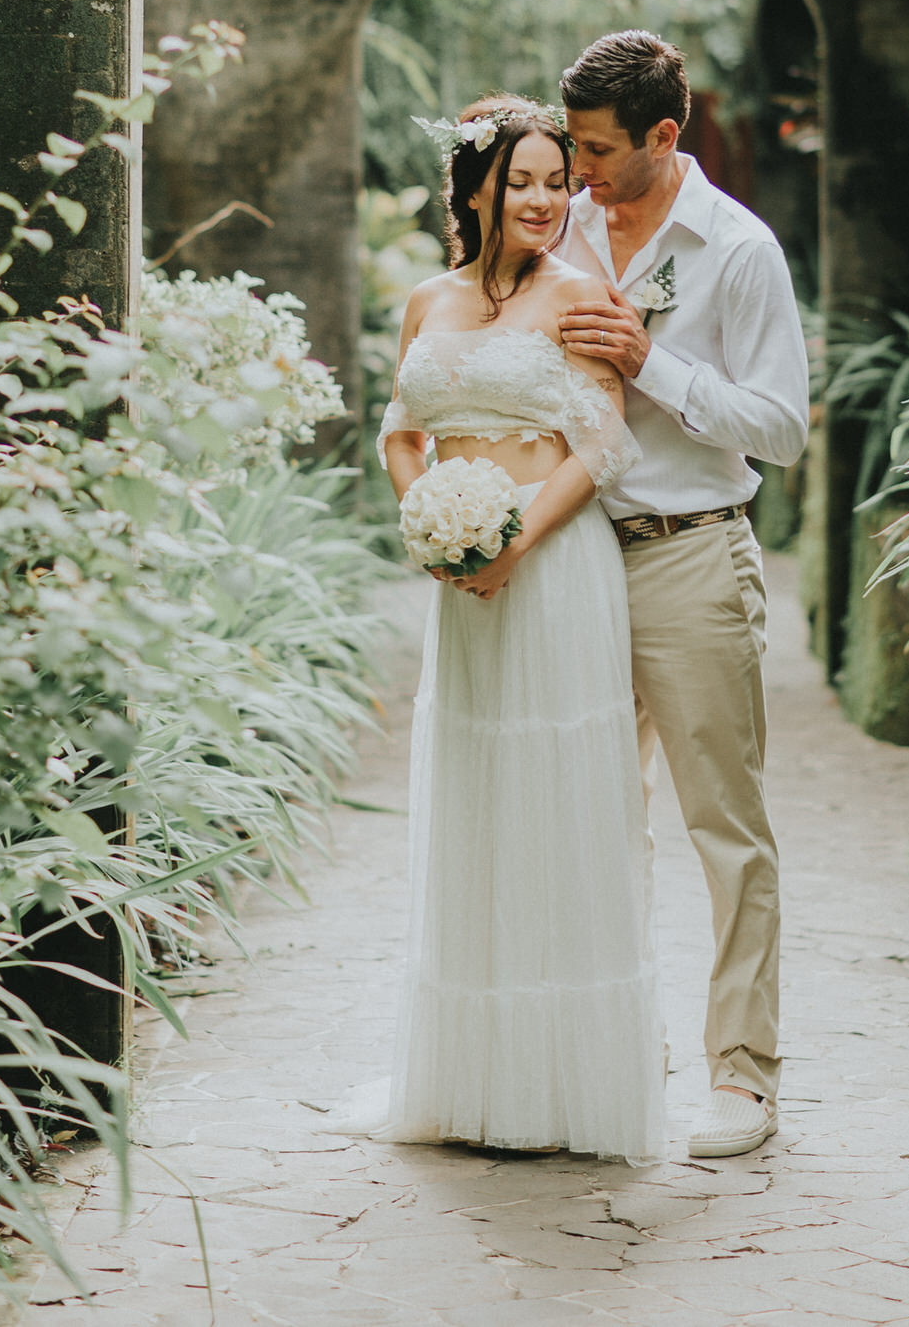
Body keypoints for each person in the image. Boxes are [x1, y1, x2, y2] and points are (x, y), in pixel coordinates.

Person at [376, 94, 665, 1163]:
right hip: (463, 587)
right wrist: (430, 522)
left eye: (557, 178)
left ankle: (560, 1086)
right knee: (478, 796)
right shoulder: (427, 300)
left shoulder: (580, 295)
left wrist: (511, 541)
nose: (545, 198)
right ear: (477, 187)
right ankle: (472, 1081)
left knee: (559, 796)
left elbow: (604, 447)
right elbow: (399, 432)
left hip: (550, 572)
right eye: (524, 180)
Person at [558, 31, 809, 1160]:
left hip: (693, 552)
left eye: (603, 150)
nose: (581, 172)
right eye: (573, 147)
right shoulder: (558, 222)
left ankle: (742, 1075)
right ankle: (613, 1049)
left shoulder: (740, 251)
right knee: (592, 817)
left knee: (724, 826)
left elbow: (785, 429)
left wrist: (650, 362)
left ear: (669, 136)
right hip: (573, 559)